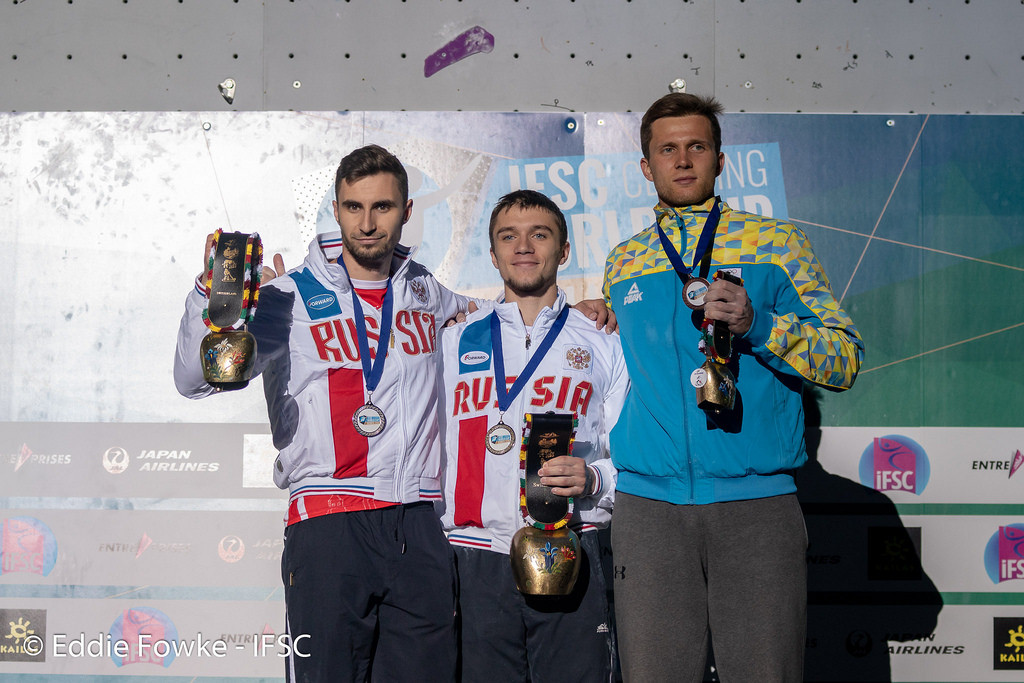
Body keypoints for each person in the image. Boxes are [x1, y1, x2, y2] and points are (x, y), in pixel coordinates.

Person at [174, 145, 612, 682]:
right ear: (336, 210)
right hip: (329, 519)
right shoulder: (285, 296)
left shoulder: (425, 291)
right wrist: (211, 298)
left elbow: (510, 316)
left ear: (405, 213)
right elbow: (194, 379)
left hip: (419, 525)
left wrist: (576, 316)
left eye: (381, 207)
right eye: (353, 207)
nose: (366, 223)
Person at [602, 93, 865, 682]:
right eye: (667, 149)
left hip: (755, 507)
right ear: (645, 166)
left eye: (697, 146)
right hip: (649, 510)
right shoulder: (624, 262)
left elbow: (844, 359)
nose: (683, 160)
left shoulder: (777, 243)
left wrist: (759, 325)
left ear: (721, 160)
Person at [439, 190, 629, 682]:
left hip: (573, 543)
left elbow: (632, 453)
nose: (523, 247)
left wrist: (594, 478)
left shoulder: (604, 340)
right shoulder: (452, 339)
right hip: (474, 555)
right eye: (509, 237)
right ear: (492, 253)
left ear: (563, 251)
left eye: (538, 235)